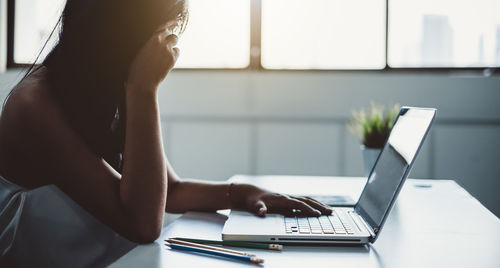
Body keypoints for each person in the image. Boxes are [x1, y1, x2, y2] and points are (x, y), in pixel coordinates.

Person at [0, 0, 331, 245]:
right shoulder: (35, 106)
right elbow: (142, 224)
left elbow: (168, 191)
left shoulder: (102, 84)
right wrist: (144, 89)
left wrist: (242, 193)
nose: (167, 48)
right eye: (162, 34)